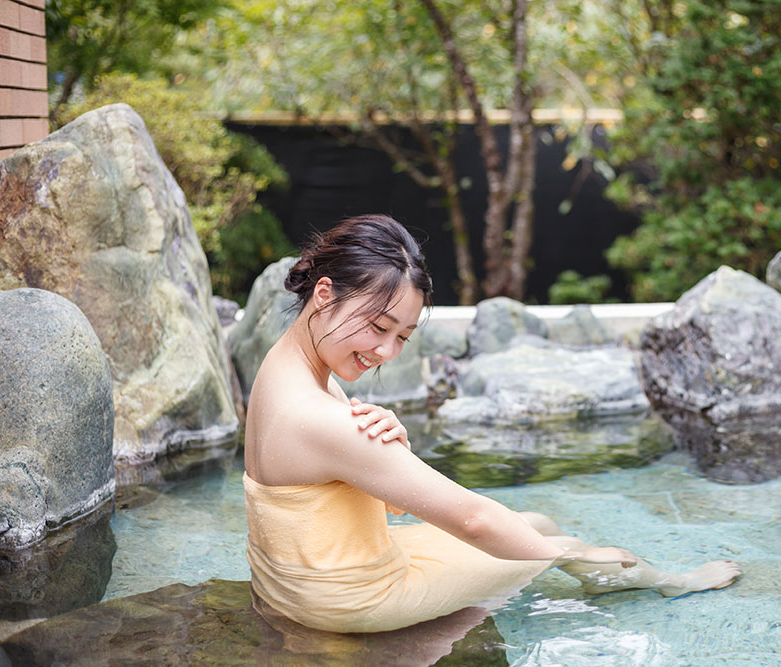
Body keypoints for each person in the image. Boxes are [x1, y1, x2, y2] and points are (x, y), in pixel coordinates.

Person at [243, 214, 740, 635]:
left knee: (534, 524)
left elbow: (387, 501)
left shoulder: (285, 369)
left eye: (402, 337)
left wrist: (395, 442)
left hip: (298, 578)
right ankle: (667, 582)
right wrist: (562, 559)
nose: (385, 353)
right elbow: (472, 520)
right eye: (378, 326)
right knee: (556, 545)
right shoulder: (322, 417)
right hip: (350, 598)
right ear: (325, 294)